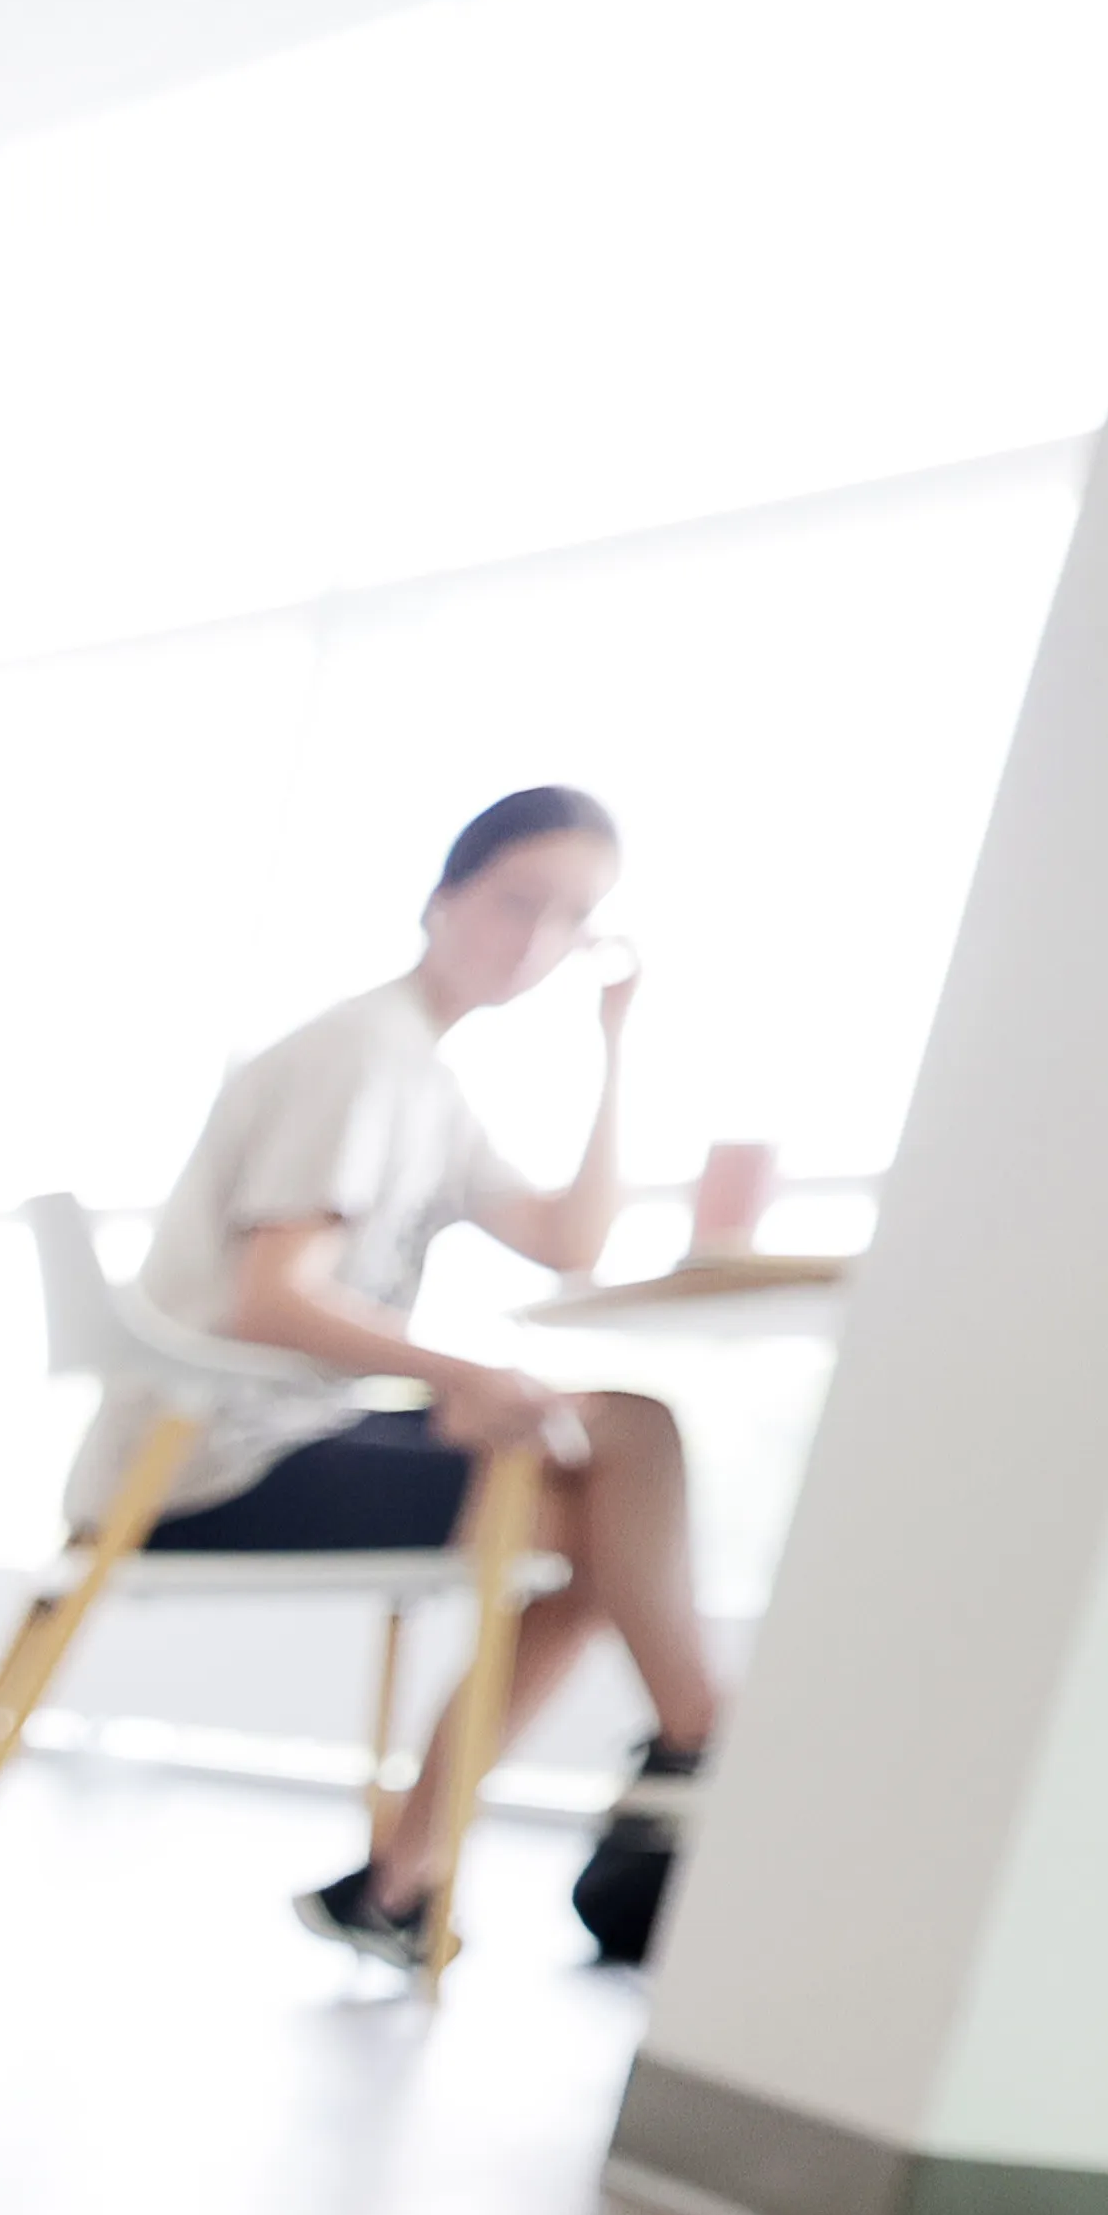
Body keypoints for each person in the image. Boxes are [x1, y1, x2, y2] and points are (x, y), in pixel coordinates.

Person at [102, 783, 720, 1968]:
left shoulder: (427, 1082)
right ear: (442, 897)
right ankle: (695, 1742)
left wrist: (614, 1043)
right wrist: (467, 1371)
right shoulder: (358, 1057)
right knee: (622, 1453)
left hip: (280, 1435)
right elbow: (269, 1297)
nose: (533, 941)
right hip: (210, 1457)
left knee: (612, 1490)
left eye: (568, 919)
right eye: (513, 903)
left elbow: (568, 1240)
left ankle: (403, 1880)